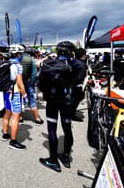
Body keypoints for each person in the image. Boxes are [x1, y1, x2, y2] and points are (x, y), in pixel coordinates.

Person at [39, 41, 75, 172]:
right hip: (67, 102)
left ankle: (53, 160)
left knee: (52, 130)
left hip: (52, 101)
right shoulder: (75, 65)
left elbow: (40, 84)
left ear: (58, 51)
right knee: (67, 129)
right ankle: (66, 157)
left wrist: (47, 93)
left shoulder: (48, 63)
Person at [1, 50, 28, 150]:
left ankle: (4, 134)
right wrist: (25, 95)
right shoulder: (18, 66)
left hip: (6, 92)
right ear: (17, 54)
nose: (22, 56)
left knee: (7, 112)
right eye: (21, 54)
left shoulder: (7, 63)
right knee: (16, 116)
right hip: (15, 93)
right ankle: (13, 141)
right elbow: (20, 84)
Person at [21, 47, 44, 125]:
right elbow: (34, 74)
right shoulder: (32, 60)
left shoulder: (18, 59)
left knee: (19, 100)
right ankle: (37, 118)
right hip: (27, 82)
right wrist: (32, 81)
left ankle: (20, 117)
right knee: (31, 100)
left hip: (18, 83)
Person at [70, 48, 87, 122]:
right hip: (76, 85)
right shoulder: (82, 65)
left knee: (72, 99)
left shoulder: (71, 61)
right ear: (83, 55)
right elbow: (81, 77)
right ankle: (72, 115)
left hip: (69, 84)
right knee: (77, 99)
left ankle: (70, 112)